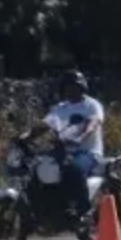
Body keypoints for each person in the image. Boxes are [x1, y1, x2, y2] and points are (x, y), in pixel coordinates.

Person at [23, 70, 105, 223]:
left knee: (73, 169)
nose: (71, 90)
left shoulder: (91, 105)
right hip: (62, 151)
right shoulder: (61, 108)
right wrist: (24, 137)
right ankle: (41, 212)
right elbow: (43, 125)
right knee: (36, 169)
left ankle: (83, 211)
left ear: (83, 87)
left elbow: (93, 123)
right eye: (67, 87)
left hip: (88, 152)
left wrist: (81, 137)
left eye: (75, 86)